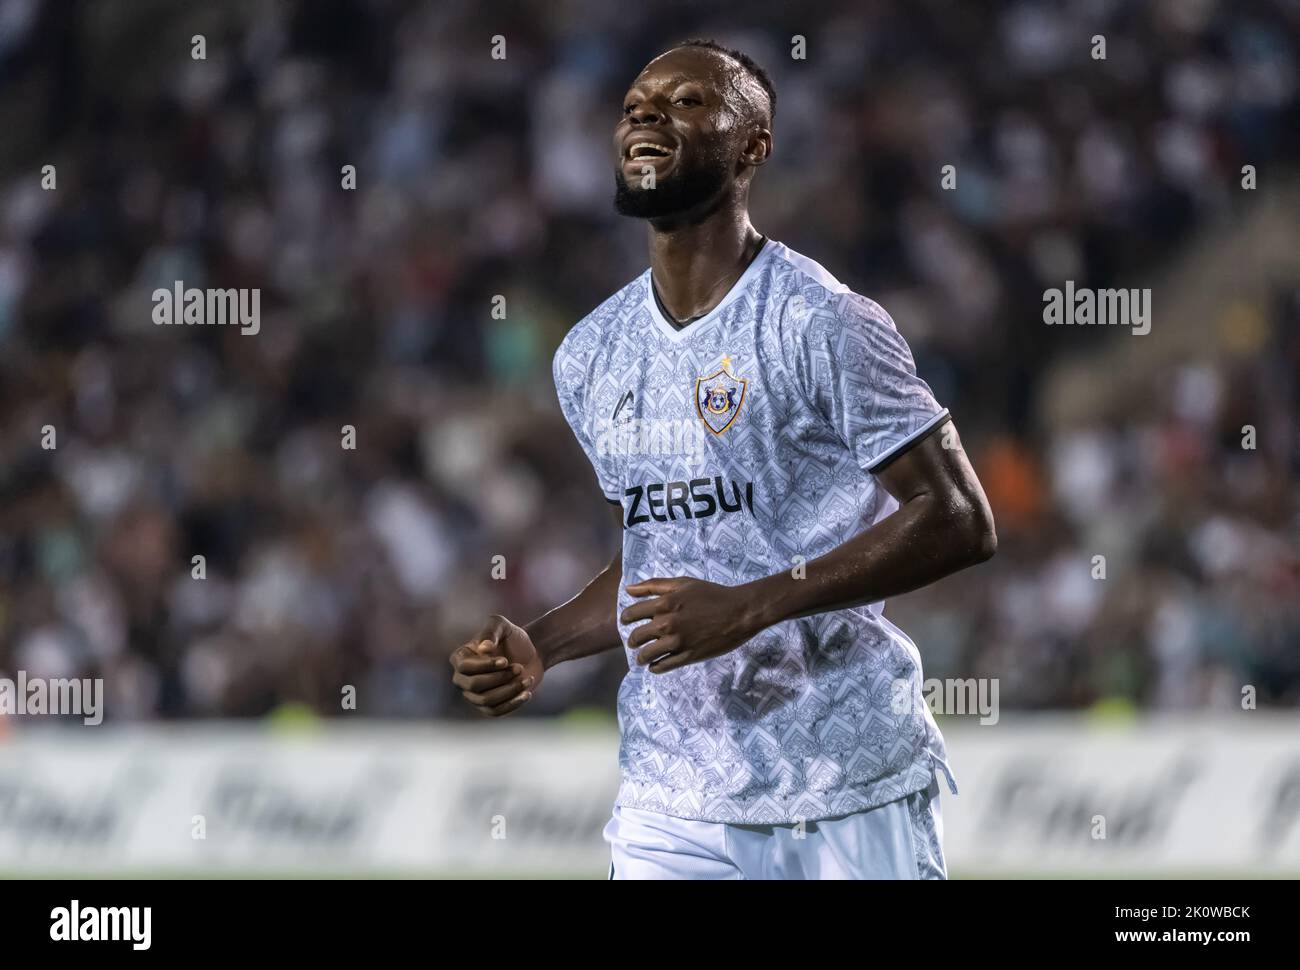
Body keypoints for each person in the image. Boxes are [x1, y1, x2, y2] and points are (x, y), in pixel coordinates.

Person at [449, 39, 997, 879]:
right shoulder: (591, 354)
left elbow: (959, 518)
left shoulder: (824, 323)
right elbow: (658, 553)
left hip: (841, 783)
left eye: (688, 102)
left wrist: (756, 605)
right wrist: (543, 644)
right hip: (670, 798)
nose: (646, 115)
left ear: (754, 147)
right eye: (635, 104)